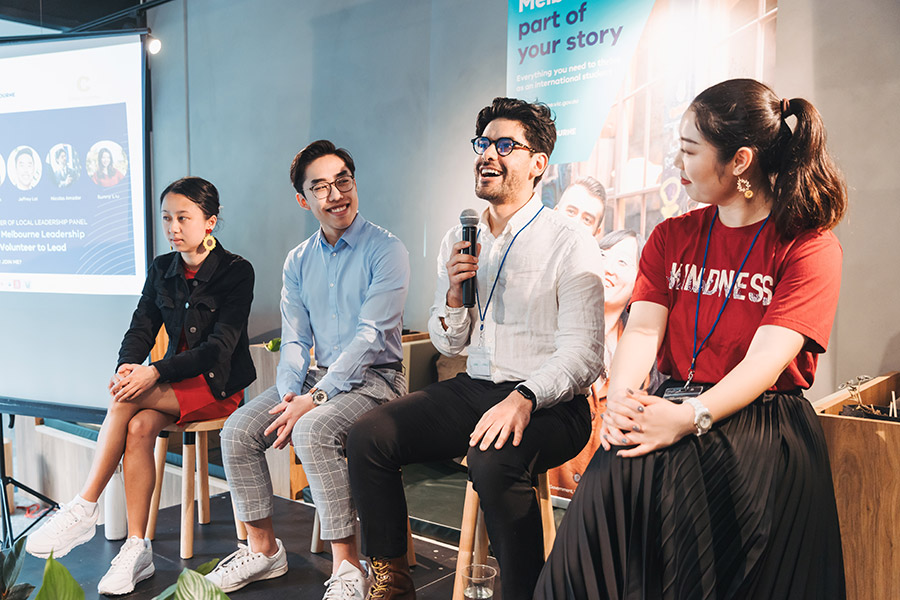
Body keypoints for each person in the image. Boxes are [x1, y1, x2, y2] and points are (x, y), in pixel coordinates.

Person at [535, 78, 847, 600]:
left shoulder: (809, 247)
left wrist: (689, 417)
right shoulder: (671, 236)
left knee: (693, 516)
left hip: (756, 419)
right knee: (605, 493)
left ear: (740, 160)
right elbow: (643, 328)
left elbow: (767, 361)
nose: (675, 163)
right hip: (668, 400)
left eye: (689, 150)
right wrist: (624, 399)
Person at [346, 97, 604, 600]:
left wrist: (525, 397)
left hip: (553, 403)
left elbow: (586, 355)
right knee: (369, 436)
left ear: (538, 165)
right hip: (477, 388)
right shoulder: (459, 239)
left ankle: (525, 592)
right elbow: (450, 341)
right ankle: (393, 581)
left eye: (505, 144)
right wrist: (453, 294)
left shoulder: (569, 240)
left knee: (492, 460)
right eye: (483, 143)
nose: (488, 153)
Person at [25, 177, 256, 596]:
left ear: (210, 222)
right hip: (169, 382)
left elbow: (218, 350)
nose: (173, 227)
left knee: (126, 398)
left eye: (183, 217)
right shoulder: (162, 269)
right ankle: (138, 548)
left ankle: (85, 505)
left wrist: (151, 373)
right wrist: (128, 365)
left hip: (216, 385)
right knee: (137, 426)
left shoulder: (236, 271)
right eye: (167, 218)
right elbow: (141, 326)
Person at [206, 140, 410, 599]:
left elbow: (370, 338)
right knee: (238, 430)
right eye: (321, 187)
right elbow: (295, 339)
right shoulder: (298, 261)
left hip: (378, 379)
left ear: (354, 184)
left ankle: (347, 568)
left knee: (312, 431)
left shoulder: (387, 250)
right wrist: (287, 395)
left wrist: (312, 401)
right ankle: (263, 551)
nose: (336, 194)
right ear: (304, 199)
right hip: (317, 378)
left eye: (344, 181)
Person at [547, 229, 663, 499]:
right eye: (601, 255)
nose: (608, 267)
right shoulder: (554, 332)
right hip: (541, 499)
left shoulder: (648, 360)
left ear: (639, 280)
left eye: (622, 262)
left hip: (604, 504)